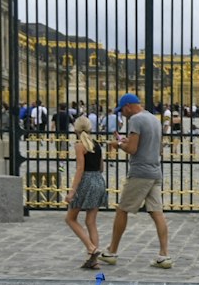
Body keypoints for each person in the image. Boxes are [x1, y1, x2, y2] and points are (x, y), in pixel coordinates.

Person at [97, 93, 173, 269]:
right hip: (155, 171)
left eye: (122, 110)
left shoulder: (136, 120)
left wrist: (118, 144)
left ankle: (112, 251)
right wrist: (126, 140)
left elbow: (132, 149)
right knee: (157, 213)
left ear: (128, 106)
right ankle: (164, 255)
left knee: (122, 210)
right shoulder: (154, 119)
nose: (122, 114)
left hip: (140, 173)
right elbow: (155, 147)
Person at [64, 116, 107, 270]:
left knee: (70, 218)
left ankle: (91, 248)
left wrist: (72, 191)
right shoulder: (97, 145)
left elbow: (80, 169)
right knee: (91, 221)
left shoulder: (79, 146)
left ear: (75, 129)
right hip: (98, 181)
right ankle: (93, 261)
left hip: (86, 182)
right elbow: (101, 167)